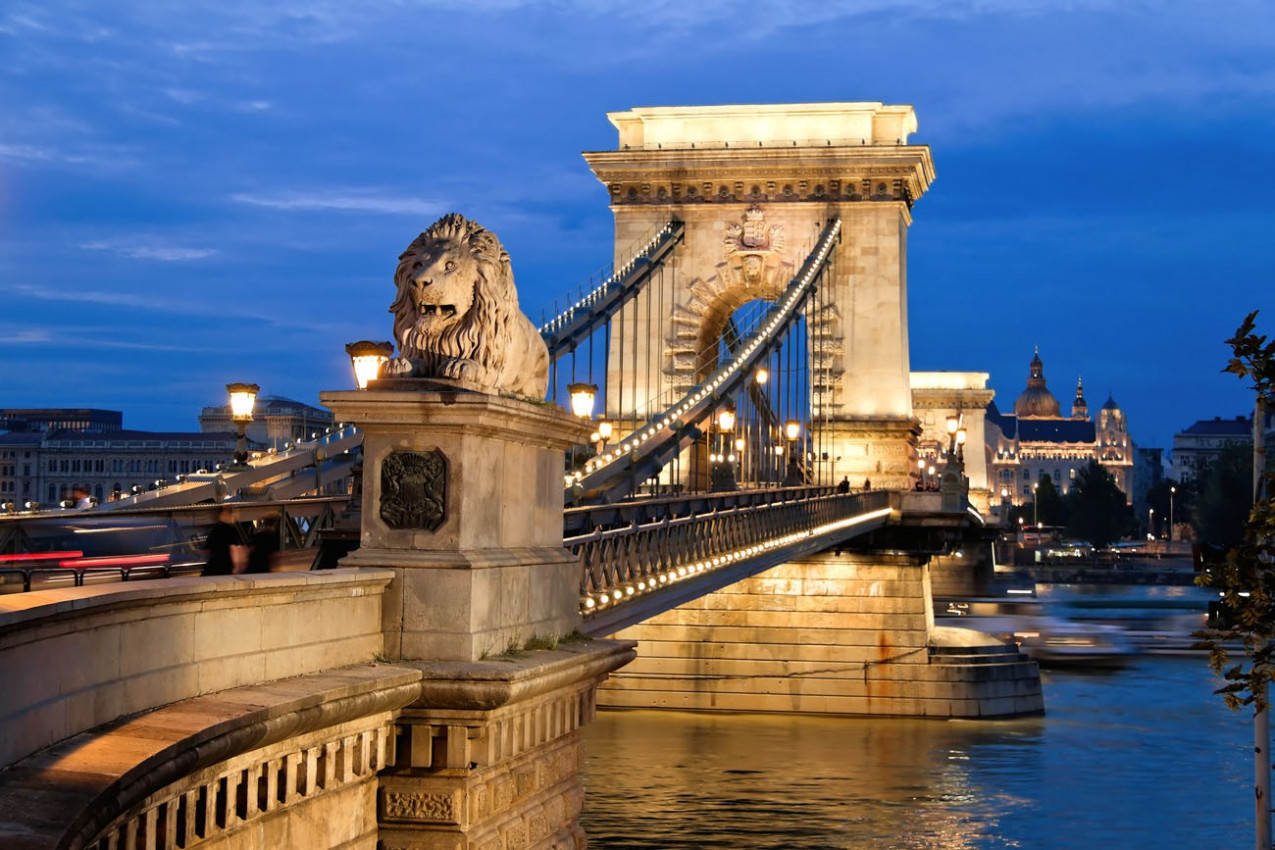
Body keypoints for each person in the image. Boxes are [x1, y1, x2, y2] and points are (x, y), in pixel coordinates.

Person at [202, 506, 241, 576]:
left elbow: (207, 550)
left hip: (213, 565)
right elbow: (233, 550)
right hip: (225, 566)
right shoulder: (231, 530)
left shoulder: (214, 530)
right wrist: (237, 567)